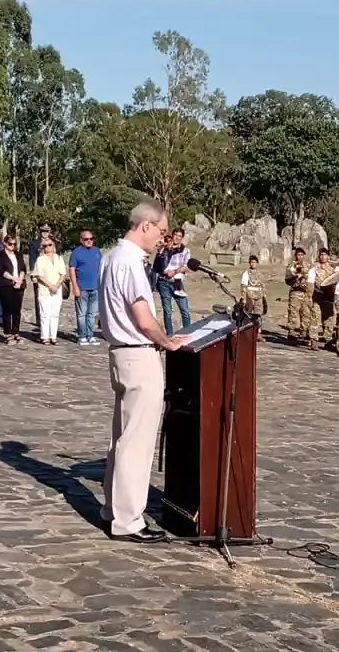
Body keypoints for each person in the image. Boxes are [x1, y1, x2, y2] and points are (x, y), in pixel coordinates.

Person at [98, 200, 188, 543]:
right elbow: (143, 318)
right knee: (136, 442)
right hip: (138, 354)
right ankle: (129, 521)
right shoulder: (131, 262)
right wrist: (167, 341)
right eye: (161, 231)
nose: (162, 239)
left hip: (120, 354)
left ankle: (112, 510)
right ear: (145, 225)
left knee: (121, 438)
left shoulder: (110, 257)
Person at [68, 229, 102, 346]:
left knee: (92, 314)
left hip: (95, 287)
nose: (89, 241)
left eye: (91, 239)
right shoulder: (76, 253)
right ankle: (82, 336)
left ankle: (90, 335)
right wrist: (75, 286)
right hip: (82, 287)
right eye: (86, 239)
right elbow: (72, 269)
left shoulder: (97, 252)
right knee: (82, 314)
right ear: (81, 240)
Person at [32, 238, 67, 344]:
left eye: (50, 245)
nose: (48, 247)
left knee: (55, 314)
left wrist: (56, 285)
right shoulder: (40, 259)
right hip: (45, 290)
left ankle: (53, 336)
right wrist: (50, 285)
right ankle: (45, 336)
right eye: (45, 246)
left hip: (57, 289)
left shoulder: (59, 258)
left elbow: (63, 274)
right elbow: (39, 275)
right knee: (45, 314)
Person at [156, 230, 191, 334]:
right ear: (172, 236)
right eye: (175, 235)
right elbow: (158, 265)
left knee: (184, 310)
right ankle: (169, 335)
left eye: (179, 236)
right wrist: (160, 250)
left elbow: (187, 266)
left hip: (177, 282)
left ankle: (188, 332)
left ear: (182, 238)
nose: (177, 238)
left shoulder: (185, 250)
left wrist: (174, 272)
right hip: (164, 282)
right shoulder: (165, 249)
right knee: (167, 311)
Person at [0, 235, 27, 344]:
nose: (12, 246)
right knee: (7, 310)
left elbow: (23, 268)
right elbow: (1, 270)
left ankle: (16, 332)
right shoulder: (0, 255)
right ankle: (7, 333)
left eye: (14, 244)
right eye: (10, 244)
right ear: (5, 243)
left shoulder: (18, 254)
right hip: (6, 285)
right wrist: (13, 279)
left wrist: (20, 280)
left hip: (19, 284)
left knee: (17, 310)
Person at [28, 222, 53, 331]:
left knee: (52, 298)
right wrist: (33, 274)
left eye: (47, 231)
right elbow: (32, 260)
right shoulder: (34, 244)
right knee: (39, 299)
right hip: (39, 274)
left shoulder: (53, 243)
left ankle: (50, 321)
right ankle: (40, 322)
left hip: (51, 275)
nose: (45, 233)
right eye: (43, 231)